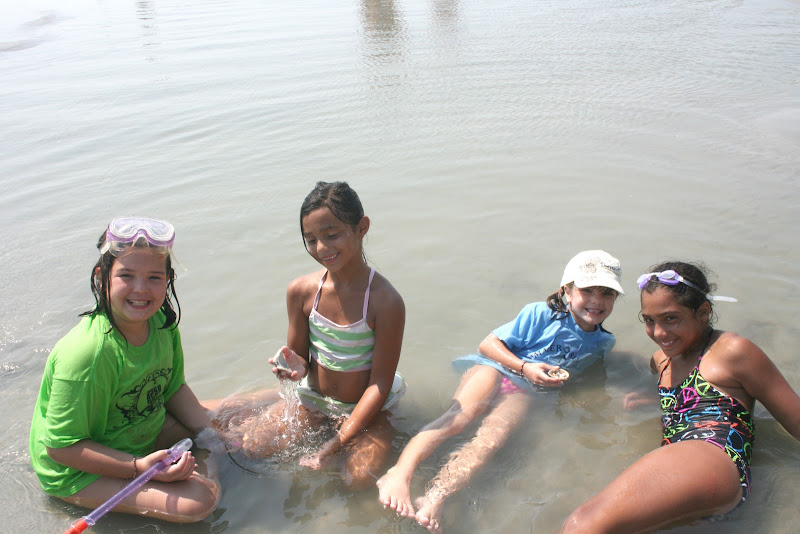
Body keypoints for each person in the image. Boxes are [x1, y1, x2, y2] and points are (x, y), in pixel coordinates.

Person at [377, 250, 624, 533]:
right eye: (587, 290)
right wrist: (524, 367)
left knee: (489, 441)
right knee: (457, 419)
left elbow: (580, 382)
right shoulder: (540, 314)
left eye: (607, 293)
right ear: (567, 291)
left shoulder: (603, 343)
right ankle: (400, 472)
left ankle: (435, 496)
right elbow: (487, 345)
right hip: (494, 369)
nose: (596, 300)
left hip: (523, 392)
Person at [561, 261, 800, 533]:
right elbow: (692, 398)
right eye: (649, 320)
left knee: (584, 524)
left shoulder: (732, 351)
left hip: (710, 453)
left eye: (671, 318)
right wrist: (656, 400)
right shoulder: (661, 361)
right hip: (702, 485)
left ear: (703, 312)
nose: (659, 332)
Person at [211, 181, 406, 490]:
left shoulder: (385, 301)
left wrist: (340, 439)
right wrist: (293, 367)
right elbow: (300, 358)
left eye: (332, 235)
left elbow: (379, 385)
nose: (322, 248)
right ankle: (251, 408)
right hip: (315, 399)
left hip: (367, 407)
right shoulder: (301, 291)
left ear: (362, 227)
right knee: (252, 449)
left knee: (356, 480)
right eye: (311, 240)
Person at [29, 217, 220, 523]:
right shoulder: (86, 355)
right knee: (198, 501)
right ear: (101, 277)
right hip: (77, 471)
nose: (140, 289)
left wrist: (213, 437)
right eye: (126, 275)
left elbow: (173, 389)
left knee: (237, 418)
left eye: (154, 277)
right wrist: (137, 467)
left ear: (168, 279)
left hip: (138, 429)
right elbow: (61, 449)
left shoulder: (162, 323)